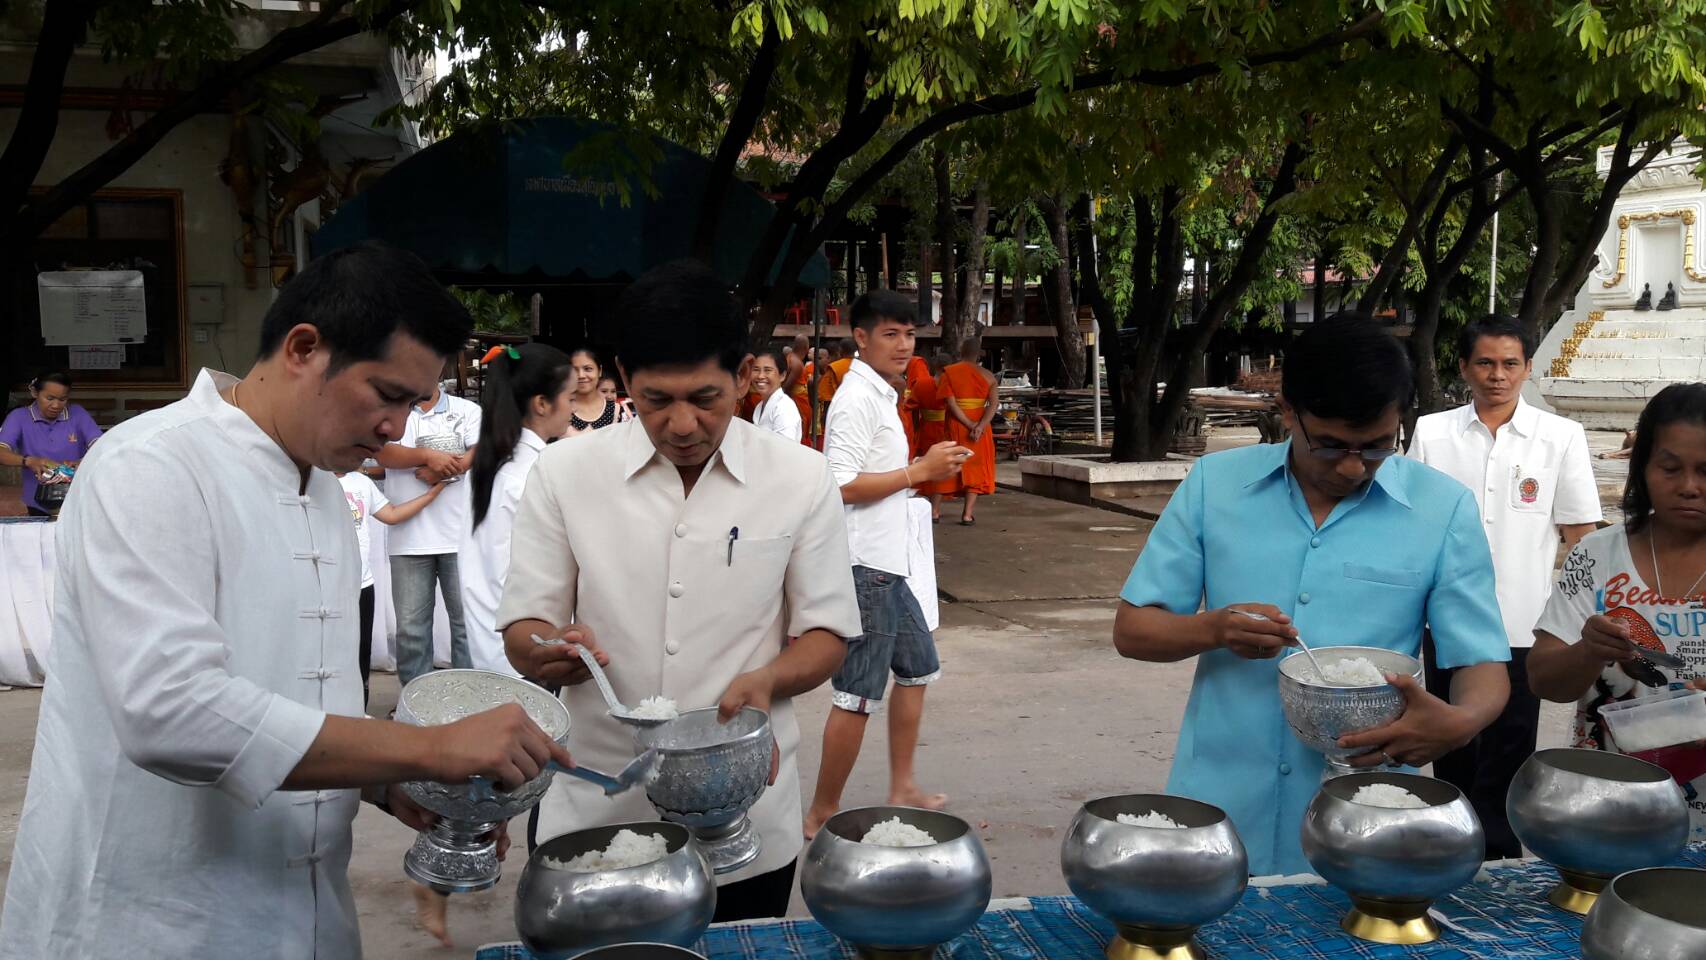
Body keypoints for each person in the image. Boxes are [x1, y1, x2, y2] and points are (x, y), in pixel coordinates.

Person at [0, 241, 573, 959]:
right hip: (148, 920)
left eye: (413, 402)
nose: (397, 428)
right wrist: (426, 746)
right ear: (305, 348)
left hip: (303, 914)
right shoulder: (152, 463)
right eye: (389, 395)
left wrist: (390, 783)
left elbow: (304, 694)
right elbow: (169, 710)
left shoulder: (326, 493)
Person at [496, 260, 862, 921]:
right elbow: (526, 626)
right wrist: (547, 649)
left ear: (744, 376)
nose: (683, 424)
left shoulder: (801, 478)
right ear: (624, 378)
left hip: (747, 810)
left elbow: (828, 633)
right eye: (658, 401)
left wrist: (770, 679)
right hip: (599, 806)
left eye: (705, 399)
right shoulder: (565, 473)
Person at [1110, 314, 1511, 877]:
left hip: (1368, 812)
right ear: (1289, 413)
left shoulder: (1441, 510)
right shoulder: (1214, 485)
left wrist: (1459, 722)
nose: (1351, 467)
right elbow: (1133, 630)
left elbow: (1481, 663)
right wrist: (1214, 629)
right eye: (1329, 446)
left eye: (1376, 447)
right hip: (1222, 803)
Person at [1408, 315, 1602, 859]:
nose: (1498, 375)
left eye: (1510, 363)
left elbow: (1582, 536)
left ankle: (1499, 859)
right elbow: (1407, 523)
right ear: (1465, 368)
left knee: (1512, 743)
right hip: (1445, 619)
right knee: (1450, 739)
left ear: (1528, 367)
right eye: (1486, 363)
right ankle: (1446, 846)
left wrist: (1575, 623)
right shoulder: (1432, 433)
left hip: (1524, 622)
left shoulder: (1560, 437)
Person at [805, 290, 970, 839]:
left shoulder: (880, 393)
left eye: (909, 334)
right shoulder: (856, 398)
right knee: (857, 693)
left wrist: (924, 469)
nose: (903, 345)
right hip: (864, 566)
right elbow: (837, 485)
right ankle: (822, 812)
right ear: (861, 338)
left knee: (919, 668)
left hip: (888, 562)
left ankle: (902, 787)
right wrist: (918, 472)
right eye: (891, 334)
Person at [1529, 384, 1706, 841]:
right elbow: (1544, 679)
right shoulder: (1597, 555)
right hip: (1611, 808)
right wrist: (1587, 651)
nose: (1689, 487)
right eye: (1670, 468)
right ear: (1642, 467)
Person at [462, 343, 577, 677]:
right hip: (524, 653)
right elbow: (521, 576)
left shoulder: (496, 467)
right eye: (570, 398)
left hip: (496, 646)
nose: (572, 409)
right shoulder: (529, 476)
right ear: (542, 404)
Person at [376, 378, 481, 687]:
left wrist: (445, 470)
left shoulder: (468, 410)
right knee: (410, 629)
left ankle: (468, 702)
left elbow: (480, 449)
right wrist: (427, 456)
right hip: (408, 539)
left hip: (460, 535)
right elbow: (383, 453)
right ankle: (416, 705)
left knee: (465, 625)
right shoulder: (392, 410)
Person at [335, 468, 446, 706]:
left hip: (362, 585)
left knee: (360, 652)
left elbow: (392, 514)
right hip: (327, 586)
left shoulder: (361, 482)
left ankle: (358, 710)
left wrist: (432, 494)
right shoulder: (314, 480)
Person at [0, 371, 103, 516]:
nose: (56, 405)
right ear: (35, 393)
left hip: (78, 499)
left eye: (62, 399)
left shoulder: (78, 414)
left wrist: (83, 461)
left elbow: (102, 445)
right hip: (38, 502)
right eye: (49, 398)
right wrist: (28, 461)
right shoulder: (19, 417)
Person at [937, 337, 1000, 524]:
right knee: (975, 468)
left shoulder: (949, 373)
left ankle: (935, 512)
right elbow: (994, 404)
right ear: (979, 354)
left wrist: (967, 423)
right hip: (980, 427)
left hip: (957, 426)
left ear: (961, 351)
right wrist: (979, 425)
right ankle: (967, 514)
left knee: (947, 465)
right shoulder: (989, 375)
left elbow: (951, 403)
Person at [563, 347, 629, 436]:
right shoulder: (560, 411)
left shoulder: (617, 411)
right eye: (575, 370)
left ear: (599, 371)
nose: (581, 375)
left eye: (588, 369)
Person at [750, 344, 803, 443]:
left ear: (782, 375)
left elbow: (784, 450)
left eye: (767, 370)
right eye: (756, 370)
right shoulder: (759, 406)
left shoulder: (784, 407)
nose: (760, 376)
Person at [785, 334, 815, 444]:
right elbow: (787, 388)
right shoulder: (797, 363)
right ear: (806, 348)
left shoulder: (790, 358)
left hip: (799, 400)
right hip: (798, 402)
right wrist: (795, 406)